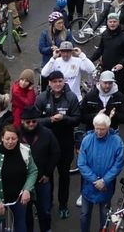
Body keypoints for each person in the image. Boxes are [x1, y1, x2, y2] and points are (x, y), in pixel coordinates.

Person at [36, 71, 80, 219]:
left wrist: (64, 118)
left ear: (64, 81)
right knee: (47, 175)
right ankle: (47, 203)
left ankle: (63, 204)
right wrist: (50, 120)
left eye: (60, 81)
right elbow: (34, 121)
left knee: (64, 176)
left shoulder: (71, 97)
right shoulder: (42, 97)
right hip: (47, 144)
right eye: (54, 81)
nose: (57, 84)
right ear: (49, 83)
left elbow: (77, 119)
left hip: (65, 143)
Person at [0, 125, 37, 232]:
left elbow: (33, 171)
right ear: (2, 138)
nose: (10, 142)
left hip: (19, 200)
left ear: (18, 139)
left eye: (13, 139)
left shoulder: (25, 151)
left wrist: (27, 189)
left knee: (21, 227)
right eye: (7, 138)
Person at [77, 114, 124, 232]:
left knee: (105, 216)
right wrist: (96, 180)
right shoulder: (87, 140)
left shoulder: (117, 141)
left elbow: (118, 164)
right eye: (96, 128)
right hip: (89, 185)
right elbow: (81, 164)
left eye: (102, 129)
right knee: (84, 214)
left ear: (108, 127)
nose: (98, 131)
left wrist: (104, 181)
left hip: (105, 187)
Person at [18, 106, 58, 232]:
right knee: (25, 213)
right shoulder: (16, 135)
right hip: (23, 183)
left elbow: (55, 153)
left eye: (34, 121)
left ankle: (46, 229)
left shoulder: (47, 133)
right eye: (28, 121)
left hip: (42, 180)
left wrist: (47, 173)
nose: (31, 124)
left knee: (44, 210)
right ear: (22, 121)